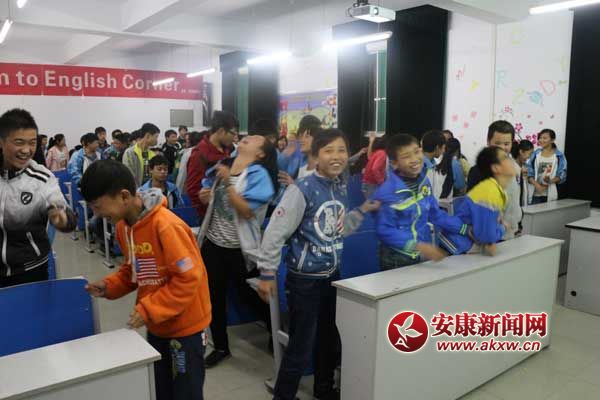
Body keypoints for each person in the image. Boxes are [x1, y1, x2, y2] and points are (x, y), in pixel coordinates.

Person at [256, 129, 379, 400]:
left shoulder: (340, 185)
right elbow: (274, 233)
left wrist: (359, 212)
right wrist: (266, 273)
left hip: (332, 276)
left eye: (341, 150)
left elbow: (339, 228)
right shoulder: (301, 189)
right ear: (316, 155)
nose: (337, 156)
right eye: (328, 150)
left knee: (329, 339)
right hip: (305, 281)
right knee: (301, 347)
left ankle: (324, 389)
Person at [81, 160, 211, 400]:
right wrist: (109, 286)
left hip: (185, 329)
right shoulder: (123, 227)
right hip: (157, 325)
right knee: (161, 389)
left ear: (124, 196)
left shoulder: (166, 226)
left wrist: (149, 309)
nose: (96, 214)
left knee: (186, 393)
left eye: (98, 206)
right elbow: (134, 271)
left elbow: (188, 278)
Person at [196, 134, 279, 367]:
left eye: (253, 139)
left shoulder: (259, 175)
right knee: (214, 298)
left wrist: (227, 184)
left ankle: (275, 331)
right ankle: (221, 347)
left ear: (260, 153)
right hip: (213, 244)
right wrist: (205, 195)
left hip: (240, 249)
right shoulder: (224, 166)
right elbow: (207, 192)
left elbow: (246, 210)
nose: (246, 137)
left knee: (251, 296)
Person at [0, 109, 76, 288]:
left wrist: (62, 218)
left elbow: (66, 215)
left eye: (32, 143)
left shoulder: (42, 178)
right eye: (19, 142)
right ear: (1, 142)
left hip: (30, 270)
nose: (27, 150)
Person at [372, 134, 469, 270]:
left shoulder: (424, 182)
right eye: (406, 156)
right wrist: (418, 246)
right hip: (396, 258)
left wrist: (465, 229)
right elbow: (384, 230)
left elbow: (435, 214)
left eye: (417, 152)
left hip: (420, 252)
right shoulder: (388, 192)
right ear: (394, 163)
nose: (414, 159)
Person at [438, 146, 516, 256]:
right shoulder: (489, 192)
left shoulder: (494, 189)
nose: (510, 159)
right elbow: (486, 237)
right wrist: (503, 228)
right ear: (496, 168)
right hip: (456, 246)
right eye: (505, 157)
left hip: (466, 246)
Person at [467, 120, 522, 239]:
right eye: (497, 143)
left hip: (511, 233)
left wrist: (518, 225)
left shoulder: (516, 168)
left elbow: (517, 199)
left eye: (506, 144)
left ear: (512, 143)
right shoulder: (477, 171)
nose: (502, 147)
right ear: (488, 142)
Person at [186, 111, 237, 219]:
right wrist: (205, 201)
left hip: (225, 213)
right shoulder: (199, 154)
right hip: (209, 216)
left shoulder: (226, 149)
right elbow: (193, 190)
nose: (234, 138)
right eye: (233, 133)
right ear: (221, 131)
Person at [527, 129, 567, 204]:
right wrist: (537, 185)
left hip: (551, 194)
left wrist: (550, 181)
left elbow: (562, 174)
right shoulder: (536, 154)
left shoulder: (559, 156)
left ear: (552, 140)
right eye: (540, 138)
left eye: (544, 138)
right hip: (535, 194)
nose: (541, 140)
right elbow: (529, 171)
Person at [122, 123, 159, 187]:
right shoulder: (130, 153)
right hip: (135, 189)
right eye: (156, 137)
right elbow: (128, 175)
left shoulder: (153, 154)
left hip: (149, 189)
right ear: (148, 136)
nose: (156, 140)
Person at [174, 131, 205, 195]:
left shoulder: (189, 153)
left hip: (192, 185)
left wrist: (178, 192)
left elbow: (182, 174)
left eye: (188, 139)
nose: (186, 141)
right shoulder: (186, 152)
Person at [511, 139, 534, 207]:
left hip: (523, 206)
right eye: (529, 153)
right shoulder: (511, 168)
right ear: (521, 152)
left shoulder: (524, 167)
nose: (530, 157)